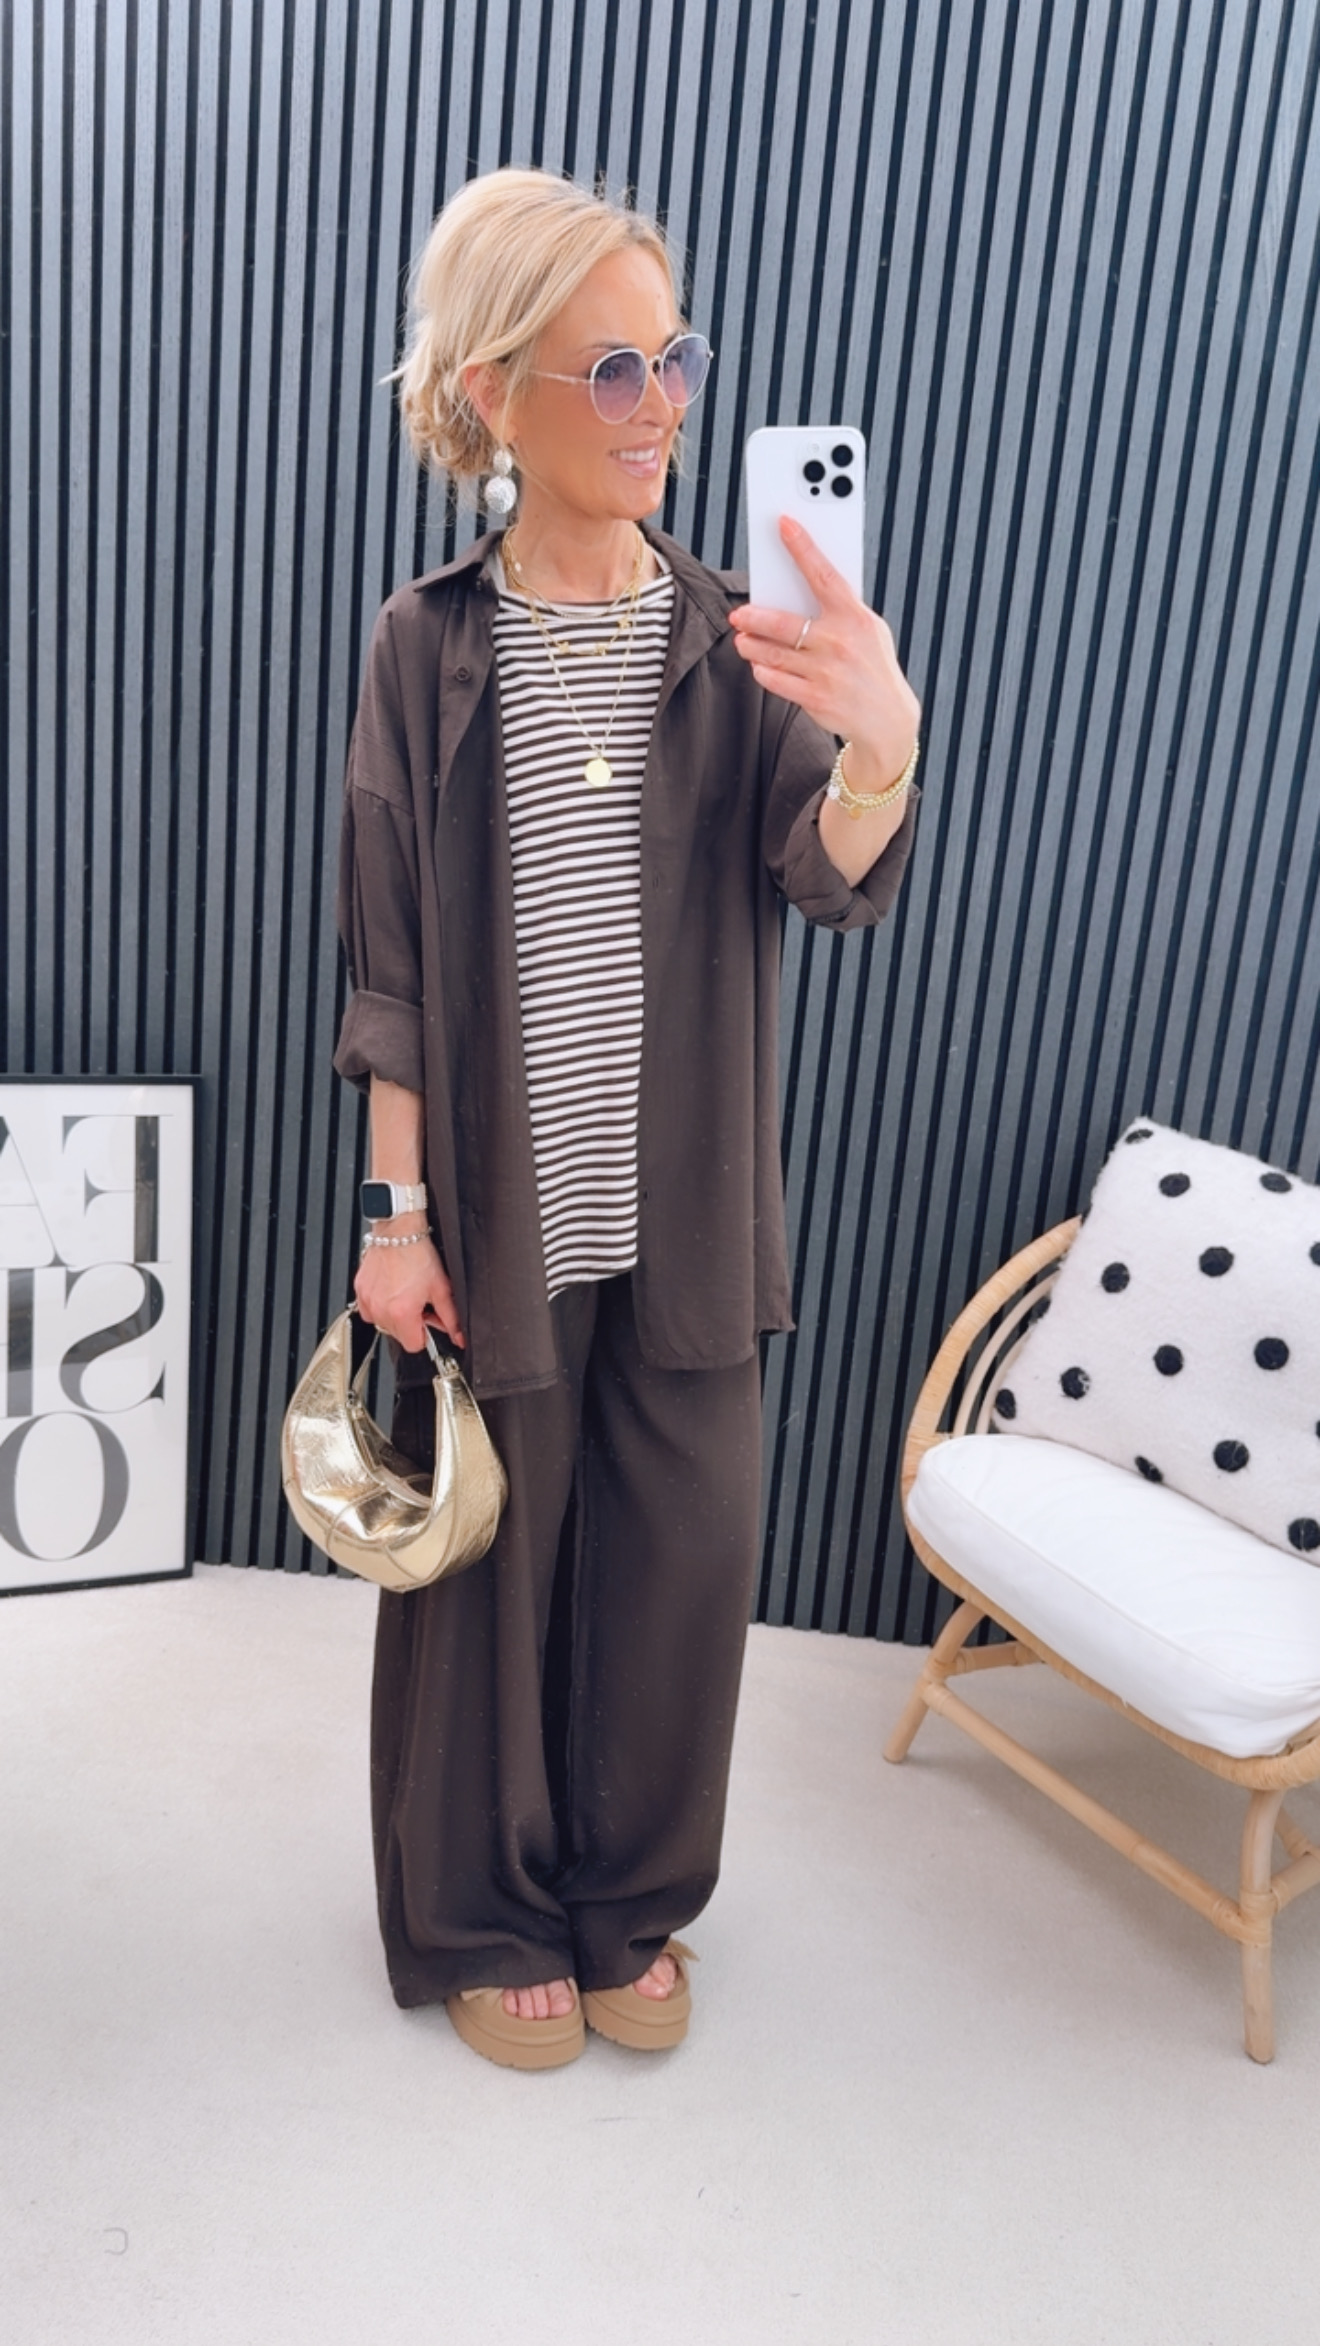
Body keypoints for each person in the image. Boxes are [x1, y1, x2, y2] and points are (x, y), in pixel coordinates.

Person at [334, 167, 920, 2069]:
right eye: (611, 367)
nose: (659, 403)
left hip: (685, 1205)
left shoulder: (735, 641)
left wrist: (882, 746)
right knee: (488, 1577)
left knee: (678, 1565)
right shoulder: (427, 646)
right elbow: (390, 963)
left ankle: (626, 1896)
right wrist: (396, 1216)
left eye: (673, 357)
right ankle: (488, 1906)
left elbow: (827, 875)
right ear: (493, 392)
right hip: (499, 1206)